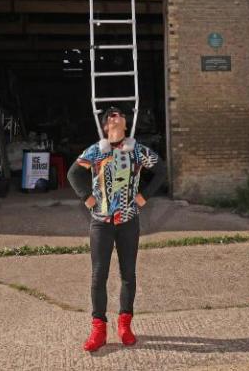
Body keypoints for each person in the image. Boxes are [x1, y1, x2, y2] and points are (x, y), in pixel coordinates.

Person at [66, 106, 167, 352]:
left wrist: (143, 198)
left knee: (128, 274)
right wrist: (88, 200)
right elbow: (73, 174)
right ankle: (98, 328)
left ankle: (125, 324)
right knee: (99, 275)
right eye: (111, 115)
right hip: (101, 223)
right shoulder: (95, 151)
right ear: (105, 125)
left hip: (129, 221)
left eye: (120, 114)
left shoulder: (137, 150)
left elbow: (161, 170)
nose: (117, 116)